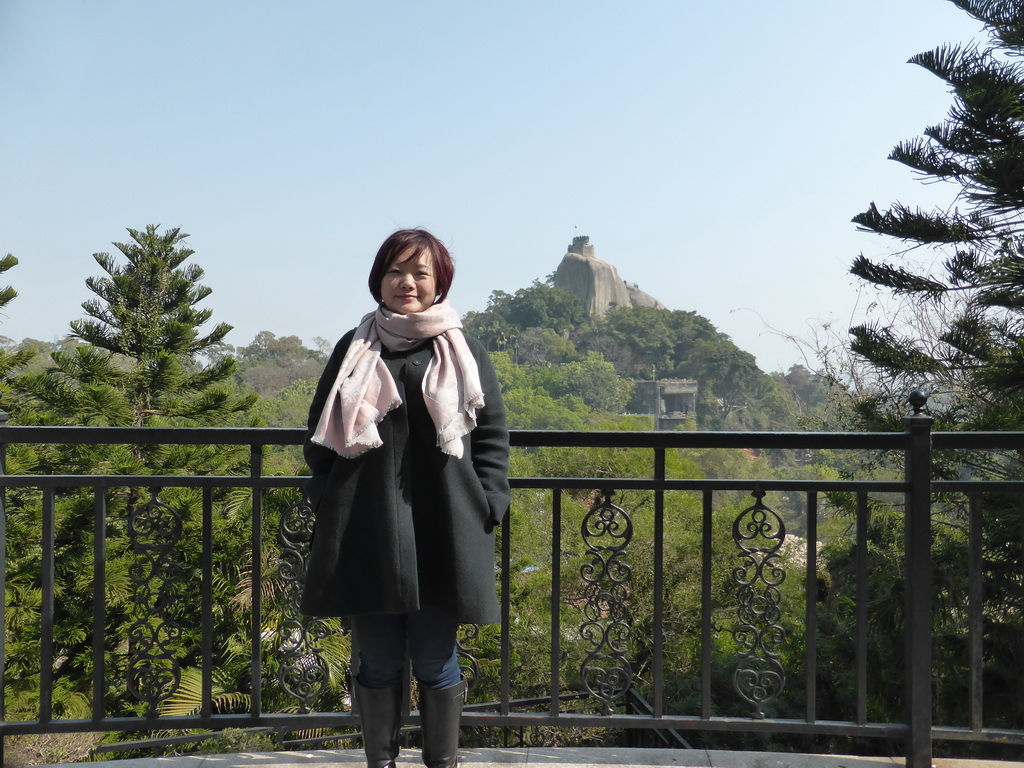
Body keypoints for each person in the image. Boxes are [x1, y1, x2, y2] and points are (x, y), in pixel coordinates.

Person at [300, 228, 510, 768]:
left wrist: (490, 501)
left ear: (439, 282)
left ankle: (442, 764)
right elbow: (318, 432)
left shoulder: (462, 348)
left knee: (438, 659)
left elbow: (491, 434)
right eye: (397, 271)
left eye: (420, 272)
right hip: (366, 528)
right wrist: (328, 496)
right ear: (380, 279)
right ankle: (383, 764)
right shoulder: (355, 346)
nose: (408, 282)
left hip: (447, 526)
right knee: (378, 660)